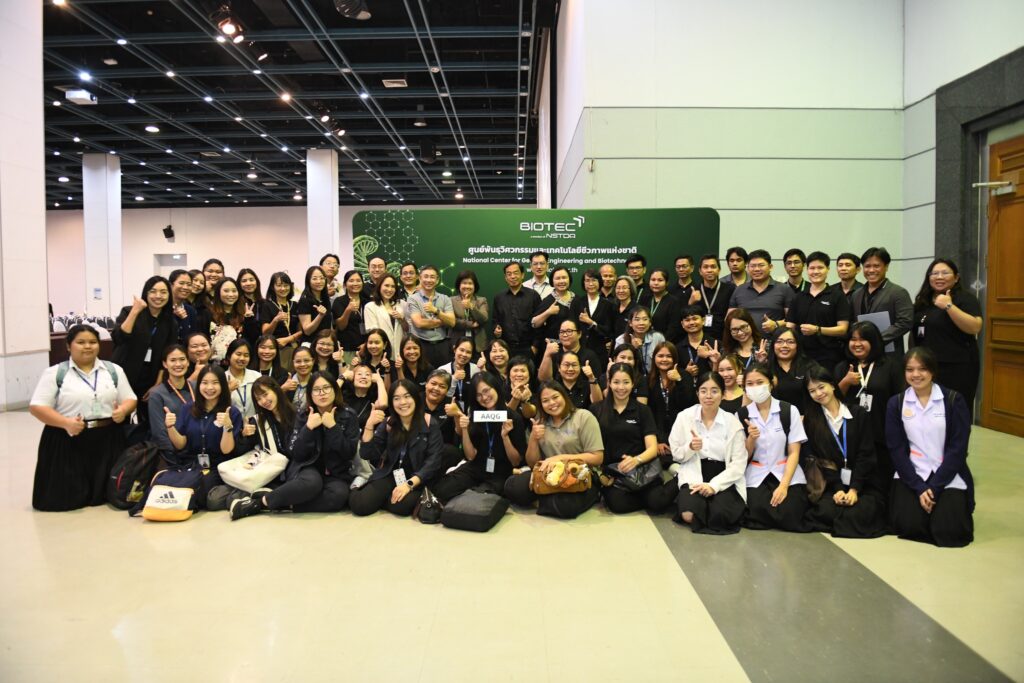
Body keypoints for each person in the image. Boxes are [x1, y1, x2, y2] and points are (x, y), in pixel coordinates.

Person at [29, 325, 137, 511]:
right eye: (81, 342)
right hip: (68, 437)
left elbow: (130, 398)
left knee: (107, 496)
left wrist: (123, 410)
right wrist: (66, 423)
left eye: (93, 342)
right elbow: (37, 406)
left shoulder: (113, 370)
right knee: (64, 499)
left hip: (107, 438)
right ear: (68, 346)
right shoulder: (56, 373)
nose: (87, 346)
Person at [230, 373, 360, 519]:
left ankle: (282, 502)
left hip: (335, 472)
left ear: (335, 389)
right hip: (307, 466)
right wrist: (308, 428)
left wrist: (333, 427)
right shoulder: (303, 415)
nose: (322, 393)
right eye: (316, 389)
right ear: (310, 394)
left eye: (326, 388)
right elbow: (296, 452)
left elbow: (348, 453)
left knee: (339, 495)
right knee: (312, 483)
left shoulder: (349, 415)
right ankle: (258, 503)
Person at [886, 348, 974, 547]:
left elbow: (958, 449)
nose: (916, 375)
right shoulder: (896, 403)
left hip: (947, 472)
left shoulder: (953, 400)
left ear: (933, 371)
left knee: (949, 532)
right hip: (912, 473)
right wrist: (919, 486)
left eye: (922, 369)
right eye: (910, 370)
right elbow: (896, 449)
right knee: (909, 526)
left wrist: (934, 487)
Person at [803, 365, 886, 538]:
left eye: (821, 387)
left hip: (863, 483)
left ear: (833, 385)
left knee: (864, 510)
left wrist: (854, 489)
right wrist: (838, 489)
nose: (818, 394)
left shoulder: (858, 413)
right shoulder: (812, 420)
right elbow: (822, 460)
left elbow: (866, 455)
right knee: (824, 510)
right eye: (812, 391)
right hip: (832, 484)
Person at [503, 381, 604, 519]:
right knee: (513, 487)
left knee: (566, 506)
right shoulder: (540, 421)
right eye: (545, 401)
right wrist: (533, 438)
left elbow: (597, 457)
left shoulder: (583, 416)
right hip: (548, 475)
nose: (551, 403)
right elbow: (532, 463)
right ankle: (551, 500)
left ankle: (546, 500)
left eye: (555, 397)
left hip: (579, 474)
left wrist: (559, 458)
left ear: (564, 396)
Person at [350, 379, 445, 517]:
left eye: (407, 396)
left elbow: (433, 461)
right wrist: (369, 425)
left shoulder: (429, 422)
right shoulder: (389, 423)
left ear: (415, 398)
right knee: (360, 505)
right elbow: (367, 454)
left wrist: (408, 484)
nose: (403, 402)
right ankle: (364, 488)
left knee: (401, 507)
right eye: (396, 398)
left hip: (416, 478)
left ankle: (385, 496)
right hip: (390, 473)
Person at [668, 371, 748, 534]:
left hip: (723, 475)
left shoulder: (732, 423)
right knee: (689, 515)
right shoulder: (684, 417)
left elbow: (738, 464)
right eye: (703, 391)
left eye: (714, 391)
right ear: (697, 394)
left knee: (720, 516)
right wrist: (690, 447)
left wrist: (714, 486)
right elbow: (676, 454)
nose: (708, 396)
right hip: (694, 471)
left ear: (723, 394)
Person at [434, 372, 527, 504]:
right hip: (477, 467)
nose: (484, 397)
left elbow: (515, 461)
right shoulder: (476, 416)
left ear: (495, 388)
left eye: (486, 391)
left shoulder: (513, 417)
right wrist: (465, 429)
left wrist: (505, 437)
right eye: (478, 395)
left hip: (501, 472)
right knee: (442, 490)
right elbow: (471, 456)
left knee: (481, 498)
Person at [834, 321, 904, 495]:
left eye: (863, 339)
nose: (857, 344)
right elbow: (832, 400)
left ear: (874, 341)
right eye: (853, 339)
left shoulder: (891, 366)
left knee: (881, 483)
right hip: (851, 436)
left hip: (881, 434)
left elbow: (900, 400)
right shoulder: (842, 367)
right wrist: (845, 382)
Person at [740, 363, 809, 532]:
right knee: (756, 510)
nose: (755, 387)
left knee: (791, 513)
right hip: (757, 473)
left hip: (786, 471)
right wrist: (751, 439)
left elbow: (794, 452)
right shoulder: (742, 414)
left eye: (760, 382)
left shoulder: (789, 410)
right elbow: (743, 457)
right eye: (750, 384)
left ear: (771, 383)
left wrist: (784, 486)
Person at [595, 363, 672, 514]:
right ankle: (644, 497)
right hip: (614, 474)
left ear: (633, 384)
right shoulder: (597, 409)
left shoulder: (643, 410)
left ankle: (679, 480)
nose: (621, 387)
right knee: (618, 505)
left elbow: (652, 448)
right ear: (609, 383)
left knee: (658, 503)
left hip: (642, 469)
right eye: (616, 382)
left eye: (626, 382)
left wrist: (636, 460)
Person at [163, 365, 243, 506]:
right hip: (191, 464)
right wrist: (170, 427)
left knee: (200, 492)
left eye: (215, 383)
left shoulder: (232, 412)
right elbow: (180, 444)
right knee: (170, 484)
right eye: (205, 383)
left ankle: (235, 490)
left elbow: (226, 450)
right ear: (199, 385)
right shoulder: (188, 408)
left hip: (217, 467)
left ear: (223, 386)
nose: (209, 387)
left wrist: (227, 427)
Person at [911, 258, 983, 412]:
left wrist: (948, 306)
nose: (939, 277)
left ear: (956, 278)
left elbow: (975, 327)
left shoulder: (965, 298)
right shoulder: (923, 301)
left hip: (957, 367)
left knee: (954, 410)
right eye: (934, 273)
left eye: (945, 273)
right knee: (928, 410)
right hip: (928, 366)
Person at [112, 275, 178, 403]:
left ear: (169, 295)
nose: (158, 296)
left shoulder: (170, 322)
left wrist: (158, 384)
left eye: (163, 292)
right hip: (124, 372)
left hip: (150, 377)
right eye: (153, 291)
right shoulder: (129, 311)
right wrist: (135, 311)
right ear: (146, 293)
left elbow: (167, 355)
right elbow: (119, 338)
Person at [786, 251, 851, 370]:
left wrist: (817, 329)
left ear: (828, 269)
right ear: (807, 270)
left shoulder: (837, 296)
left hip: (829, 356)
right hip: (801, 356)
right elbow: (790, 327)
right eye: (812, 268)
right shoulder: (798, 297)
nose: (815, 272)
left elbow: (843, 329)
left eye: (820, 268)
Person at [850, 247, 913, 357]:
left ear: (886, 267)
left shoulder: (898, 292)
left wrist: (876, 340)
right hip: (862, 354)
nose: (871, 270)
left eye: (876, 266)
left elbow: (905, 323)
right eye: (867, 266)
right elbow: (853, 322)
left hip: (889, 355)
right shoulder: (856, 294)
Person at [647, 341, 697, 467]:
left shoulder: (685, 376)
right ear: (654, 358)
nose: (664, 359)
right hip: (659, 436)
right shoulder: (648, 379)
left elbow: (689, 404)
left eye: (668, 356)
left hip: (682, 434)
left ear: (674, 359)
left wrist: (679, 380)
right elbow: (649, 413)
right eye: (660, 356)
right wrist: (657, 440)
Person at [728, 249, 794, 336]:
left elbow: (792, 321)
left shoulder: (784, 289)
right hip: (745, 341)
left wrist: (776, 324)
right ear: (747, 268)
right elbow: (729, 319)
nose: (756, 269)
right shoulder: (739, 290)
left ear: (770, 267)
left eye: (761, 265)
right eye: (752, 266)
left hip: (774, 342)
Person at [147, 344, 195, 459]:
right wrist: (174, 457)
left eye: (182, 359)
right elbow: (159, 433)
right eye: (173, 360)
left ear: (188, 362)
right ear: (165, 364)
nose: (178, 364)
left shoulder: (197, 387)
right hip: (175, 455)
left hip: (200, 449)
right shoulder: (156, 394)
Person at [406, 264, 456, 368]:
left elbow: (452, 322)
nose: (429, 280)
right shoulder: (413, 299)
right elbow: (419, 323)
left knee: (443, 375)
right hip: (421, 345)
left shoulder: (445, 298)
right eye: (426, 276)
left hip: (442, 346)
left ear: (437, 280)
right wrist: (442, 321)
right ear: (420, 278)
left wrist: (435, 311)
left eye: (432, 277)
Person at [492, 261, 541, 360]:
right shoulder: (499, 298)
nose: (512, 276)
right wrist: (496, 329)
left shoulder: (533, 296)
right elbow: (495, 320)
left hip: (527, 348)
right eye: (509, 274)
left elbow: (540, 323)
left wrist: (535, 346)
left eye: (516, 273)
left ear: (522, 275)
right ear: (505, 277)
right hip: (505, 348)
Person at [569, 268, 614, 370]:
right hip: (580, 350)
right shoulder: (577, 302)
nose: (590, 284)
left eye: (594, 280)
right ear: (583, 283)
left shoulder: (607, 304)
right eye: (587, 280)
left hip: (599, 351)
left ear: (599, 282)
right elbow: (571, 326)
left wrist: (591, 322)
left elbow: (608, 331)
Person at [537, 319, 603, 385]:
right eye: (562, 332)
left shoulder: (590, 356)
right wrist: (547, 355)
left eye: (569, 331)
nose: (565, 335)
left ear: (579, 334)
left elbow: (597, 383)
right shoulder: (554, 353)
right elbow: (543, 380)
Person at [260, 271, 301, 369]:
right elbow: (265, 332)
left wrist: (288, 339)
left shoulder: (295, 305)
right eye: (279, 285)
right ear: (272, 287)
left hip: (295, 348)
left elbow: (302, 330)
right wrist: (275, 320)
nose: (283, 288)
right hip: (276, 349)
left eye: (286, 285)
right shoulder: (267, 305)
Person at [767, 327, 812, 414]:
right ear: (773, 345)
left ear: (797, 345)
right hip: (774, 418)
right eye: (779, 341)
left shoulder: (809, 366)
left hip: (805, 417)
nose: (784, 345)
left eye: (790, 342)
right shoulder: (765, 369)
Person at [363, 273, 407, 361]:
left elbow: (408, 329)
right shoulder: (370, 307)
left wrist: (401, 319)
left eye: (393, 286)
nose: (389, 289)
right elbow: (373, 332)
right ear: (379, 286)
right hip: (381, 353)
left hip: (401, 352)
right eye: (386, 285)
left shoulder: (402, 304)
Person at [692, 254, 735, 342]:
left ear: (719, 270)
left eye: (713, 267)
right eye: (706, 267)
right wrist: (691, 302)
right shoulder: (693, 290)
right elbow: (686, 316)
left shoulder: (730, 289)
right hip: (699, 337)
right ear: (700, 271)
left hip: (724, 336)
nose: (709, 270)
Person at [204, 277, 246, 362]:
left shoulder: (244, 314)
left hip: (239, 362)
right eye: (226, 291)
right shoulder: (208, 314)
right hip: (214, 364)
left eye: (234, 291)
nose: (231, 294)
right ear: (218, 292)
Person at [331, 269, 367, 364]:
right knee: (348, 372)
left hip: (365, 349)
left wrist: (366, 344)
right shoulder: (339, 301)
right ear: (344, 285)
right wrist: (348, 310)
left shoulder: (367, 302)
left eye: (358, 280)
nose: (355, 283)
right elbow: (341, 326)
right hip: (346, 348)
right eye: (351, 281)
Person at [614, 307, 665, 375]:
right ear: (630, 323)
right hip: (630, 377)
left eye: (645, 319)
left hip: (654, 377)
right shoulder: (621, 340)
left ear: (650, 322)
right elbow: (618, 365)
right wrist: (634, 349)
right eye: (637, 319)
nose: (641, 323)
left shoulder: (658, 338)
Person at [531, 266, 575, 343]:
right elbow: (534, 323)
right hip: (554, 346)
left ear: (569, 279)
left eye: (564, 277)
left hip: (574, 345)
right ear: (552, 281)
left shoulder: (576, 299)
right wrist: (548, 312)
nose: (561, 281)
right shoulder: (548, 301)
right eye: (558, 278)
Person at [639, 268, 683, 345]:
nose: (656, 283)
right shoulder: (644, 299)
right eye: (653, 280)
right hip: (644, 342)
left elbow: (673, 328)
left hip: (664, 344)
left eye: (660, 280)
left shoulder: (674, 302)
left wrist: (660, 343)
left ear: (667, 282)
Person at [450, 270, 489, 353]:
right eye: (464, 283)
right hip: (456, 343)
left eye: (470, 283)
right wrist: (470, 324)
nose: (467, 286)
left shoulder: (481, 300)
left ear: (475, 286)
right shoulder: (451, 301)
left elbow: (484, 319)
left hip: (478, 344)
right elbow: (452, 321)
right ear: (459, 285)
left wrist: (471, 307)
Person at [341, 363, 388, 430]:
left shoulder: (374, 398)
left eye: (367, 374)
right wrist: (343, 376)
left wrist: (379, 380)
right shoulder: (344, 396)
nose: (363, 377)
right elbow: (330, 395)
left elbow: (383, 404)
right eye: (359, 374)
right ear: (352, 378)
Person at [223, 338, 261, 421]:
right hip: (231, 424)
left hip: (254, 423)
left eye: (246, 355)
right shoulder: (222, 378)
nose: (242, 358)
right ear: (229, 356)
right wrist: (228, 391)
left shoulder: (256, 376)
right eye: (238, 354)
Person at [437, 337, 479, 411]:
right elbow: (440, 396)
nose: (464, 354)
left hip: (470, 411)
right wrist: (454, 379)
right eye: (461, 350)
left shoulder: (476, 369)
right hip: (446, 411)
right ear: (454, 349)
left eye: (468, 352)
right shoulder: (443, 370)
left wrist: (483, 369)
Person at [296, 265, 333, 343]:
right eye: (314, 278)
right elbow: (307, 331)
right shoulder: (305, 300)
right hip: (311, 344)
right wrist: (320, 316)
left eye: (321, 278)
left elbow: (328, 326)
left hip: (325, 343)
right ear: (308, 281)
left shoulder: (325, 299)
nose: (319, 281)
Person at [168, 269, 198, 344]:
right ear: (171, 285)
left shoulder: (191, 310)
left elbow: (192, 337)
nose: (185, 287)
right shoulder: (162, 308)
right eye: (181, 283)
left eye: (189, 284)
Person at [236, 268, 264, 346]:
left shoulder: (264, 303)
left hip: (261, 346)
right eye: (244, 281)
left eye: (251, 280)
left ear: (257, 282)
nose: (248, 283)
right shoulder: (236, 303)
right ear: (239, 284)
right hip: (243, 346)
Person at [285, 345, 315, 416]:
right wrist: (283, 389)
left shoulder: (318, 381)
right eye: (298, 361)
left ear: (313, 361)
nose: (302, 364)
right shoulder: (285, 380)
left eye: (306, 360)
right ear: (293, 363)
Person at [507, 355, 539, 420]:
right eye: (515, 371)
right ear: (509, 374)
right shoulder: (500, 390)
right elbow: (502, 417)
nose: (519, 374)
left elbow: (530, 415)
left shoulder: (536, 390)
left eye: (523, 371)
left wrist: (525, 402)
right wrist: (515, 399)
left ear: (529, 375)